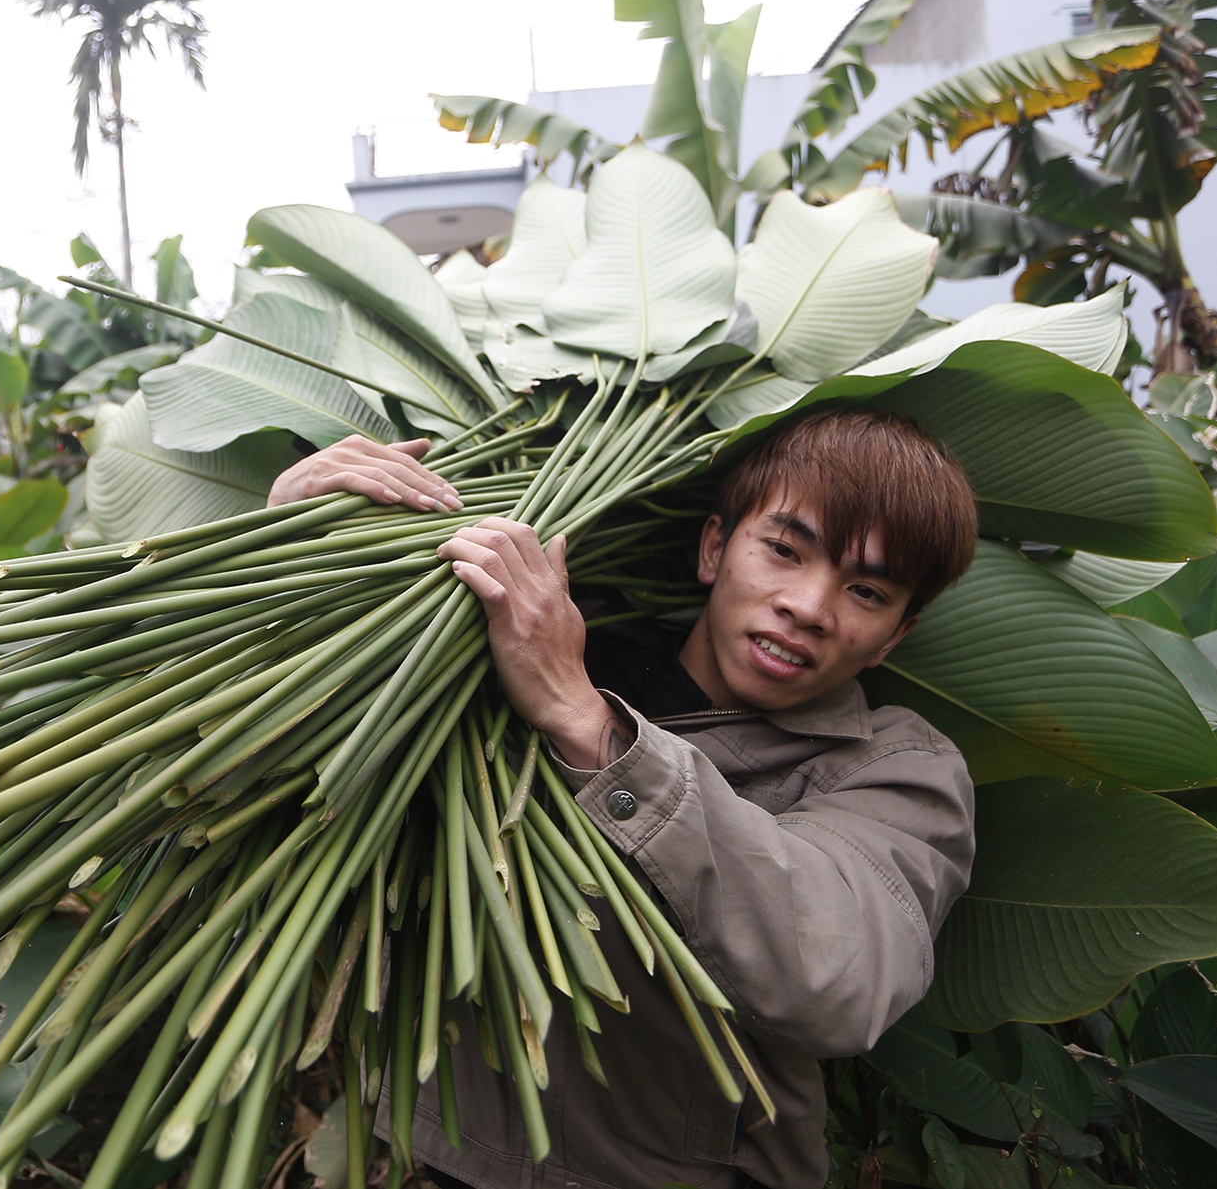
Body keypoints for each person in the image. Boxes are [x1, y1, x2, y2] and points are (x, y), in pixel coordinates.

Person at [267, 407, 981, 1189]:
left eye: (866, 590)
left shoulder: (899, 769)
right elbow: (277, 799)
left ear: (892, 637)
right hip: (447, 1159)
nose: (809, 605)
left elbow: (836, 983)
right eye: (784, 549)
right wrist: (294, 559)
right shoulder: (510, 650)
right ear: (715, 547)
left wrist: (581, 719)